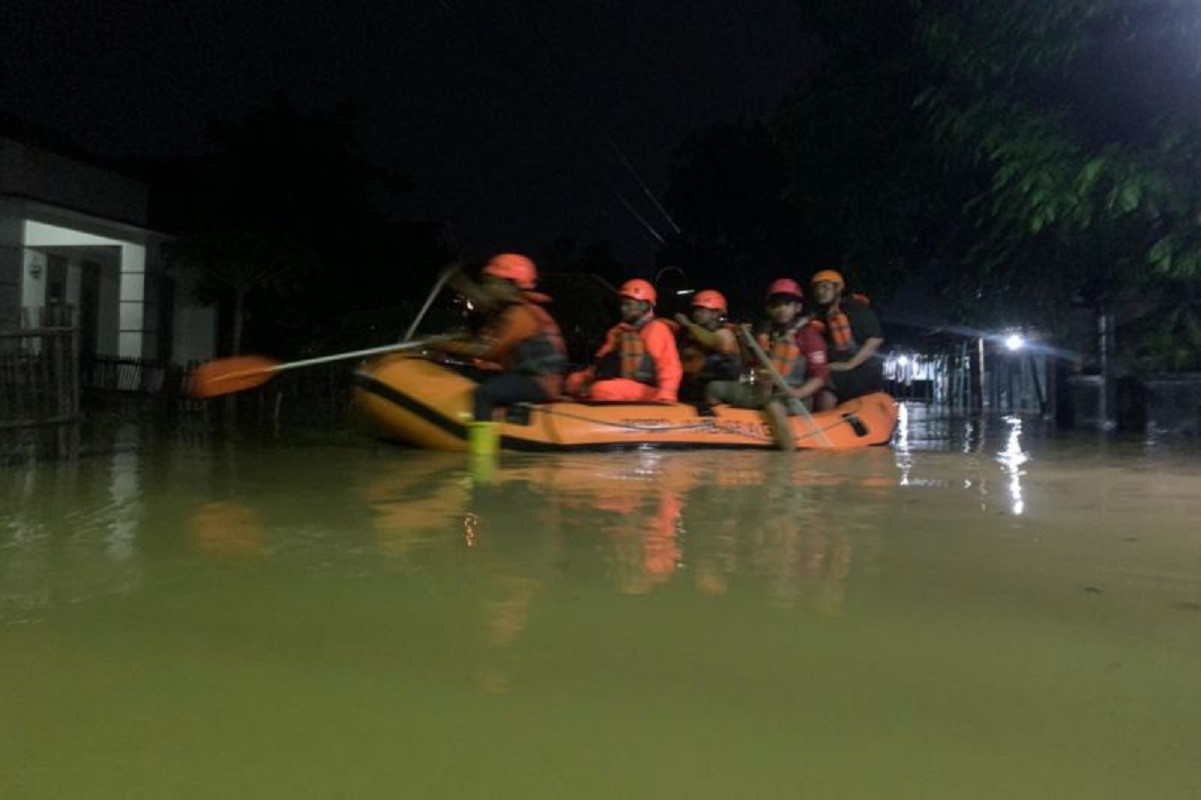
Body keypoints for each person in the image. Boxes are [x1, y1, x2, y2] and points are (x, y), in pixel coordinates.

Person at [428, 253, 566, 422]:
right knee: (465, 372)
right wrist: (459, 283)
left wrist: (441, 344)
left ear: (512, 285)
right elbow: (483, 302)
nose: (488, 286)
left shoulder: (522, 315)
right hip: (523, 376)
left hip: (539, 383)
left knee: (484, 393)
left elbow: (489, 351)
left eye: (492, 282)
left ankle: (483, 446)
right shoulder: (509, 310)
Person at [705, 278, 830, 449]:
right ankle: (726, 434)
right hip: (760, 391)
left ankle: (787, 459)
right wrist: (742, 340)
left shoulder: (809, 336)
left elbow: (820, 375)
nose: (781, 309)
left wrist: (799, 392)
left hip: (791, 395)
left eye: (787, 304)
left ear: (797, 308)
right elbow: (750, 364)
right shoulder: (765, 333)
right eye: (776, 305)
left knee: (774, 407)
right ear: (769, 309)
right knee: (713, 388)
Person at [565, 278, 682, 403]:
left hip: (647, 389)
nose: (623, 309)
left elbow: (670, 366)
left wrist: (666, 395)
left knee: (602, 390)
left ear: (644, 305)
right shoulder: (619, 331)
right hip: (619, 382)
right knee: (573, 381)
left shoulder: (657, 329)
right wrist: (585, 379)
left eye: (628, 304)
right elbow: (602, 363)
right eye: (623, 304)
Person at [809, 269, 884, 405]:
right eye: (817, 288)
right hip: (835, 372)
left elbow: (875, 339)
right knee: (825, 386)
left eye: (825, 287)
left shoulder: (856, 309)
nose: (820, 292)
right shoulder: (818, 317)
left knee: (831, 382)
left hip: (861, 372)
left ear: (837, 289)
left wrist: (850, 364)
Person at [672, 289, 741, 404]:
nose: (697, 314)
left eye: (702, 310)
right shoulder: (692, 332)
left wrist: (688, 324)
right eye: (696, 310)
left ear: (716, 313)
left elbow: (713, 342)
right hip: (693, 389)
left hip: (716, 390)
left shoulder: (725, 332)